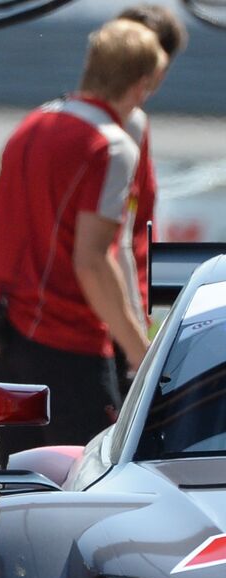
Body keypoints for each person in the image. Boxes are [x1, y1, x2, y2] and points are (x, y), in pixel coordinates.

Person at [0, 19, 167, 464]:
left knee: (19, 475)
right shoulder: (112, 146)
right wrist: (142, 353)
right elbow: (93, 260)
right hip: (69, 349)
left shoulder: (31, 123)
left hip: (6, 335)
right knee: (87, 477)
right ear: (141, 86)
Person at [112, 5, 188, 396]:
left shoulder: (128, 123)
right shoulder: (121, 126)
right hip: (111, 317)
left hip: (122, 309)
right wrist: (135, 340)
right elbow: (113, 243)